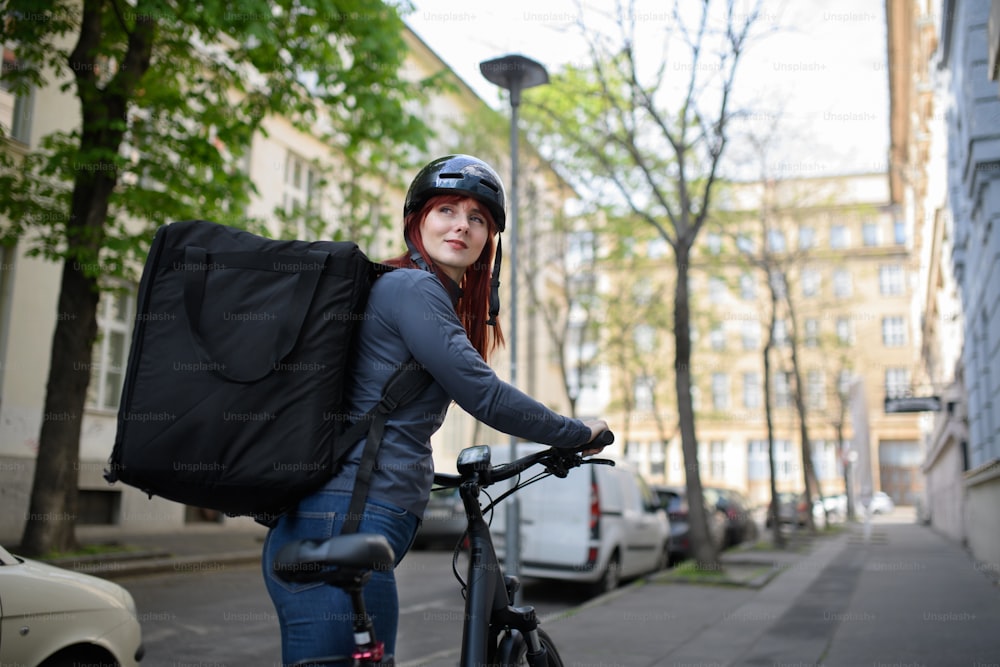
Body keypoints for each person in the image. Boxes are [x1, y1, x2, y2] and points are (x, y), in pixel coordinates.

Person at [262, 154, 609, 664]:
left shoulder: (419, 294)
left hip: (345, 515)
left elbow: (394, 419)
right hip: (343, 518)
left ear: (488, 239)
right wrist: (578, 432)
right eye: (448, 209)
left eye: (478, 219)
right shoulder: (412, 287)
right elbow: (484, 395)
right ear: (417, 220)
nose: (462, 226)